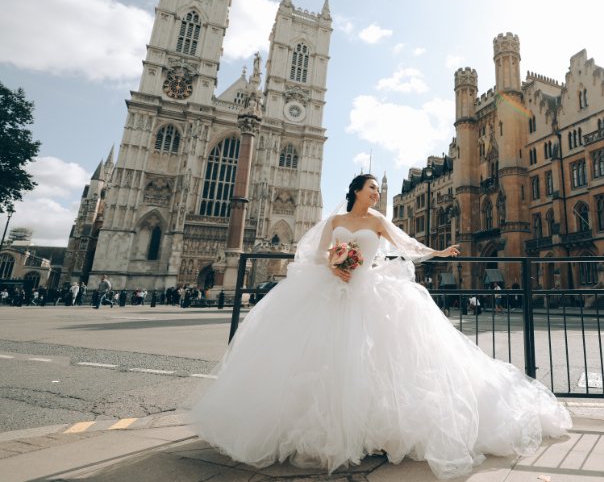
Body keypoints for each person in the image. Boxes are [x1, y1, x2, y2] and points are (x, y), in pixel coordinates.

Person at [191, 174, 571, 479]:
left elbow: (407, 244)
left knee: (374, 360)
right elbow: (317, 253)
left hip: (367, 291)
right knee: (321, 359)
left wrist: (438, 252)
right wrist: (335, 263)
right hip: (331, 288)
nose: (375, 194)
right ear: (356, 190)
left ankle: (372, 431)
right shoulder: (337, 221)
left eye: (377, 189)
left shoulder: (378, 221)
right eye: (371, 188)